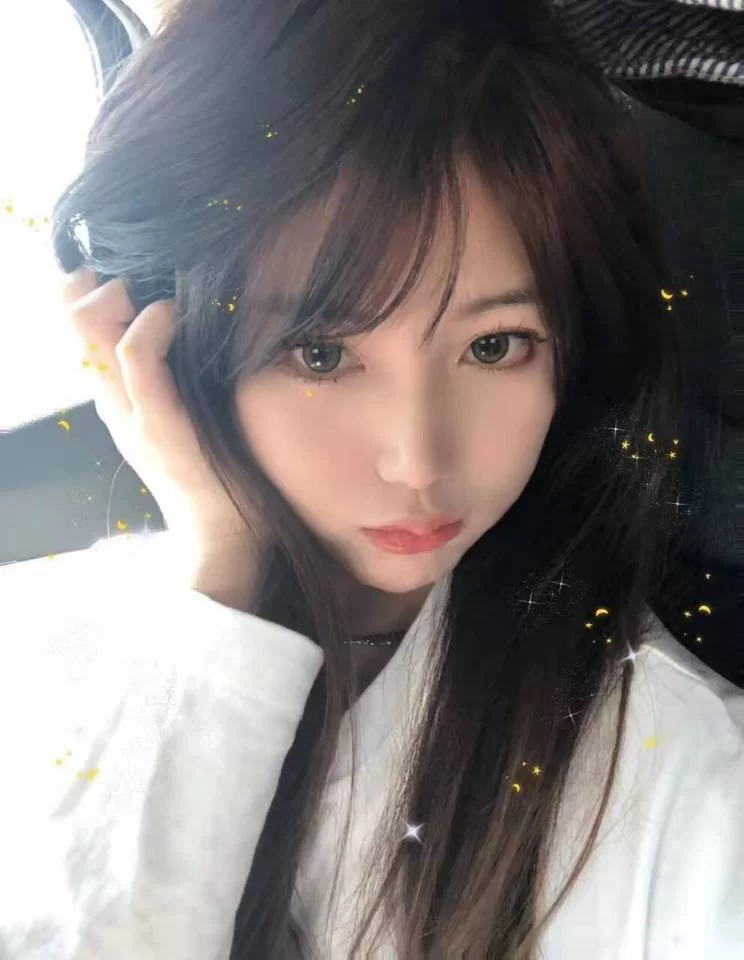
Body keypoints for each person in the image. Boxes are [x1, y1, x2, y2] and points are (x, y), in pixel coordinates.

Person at [1, 0, 741, 958]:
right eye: (320, 354)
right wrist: (223, 577)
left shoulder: (676, 781)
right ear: (163, 352)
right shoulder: (40, 645)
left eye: (494, 345)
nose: (417, 461)